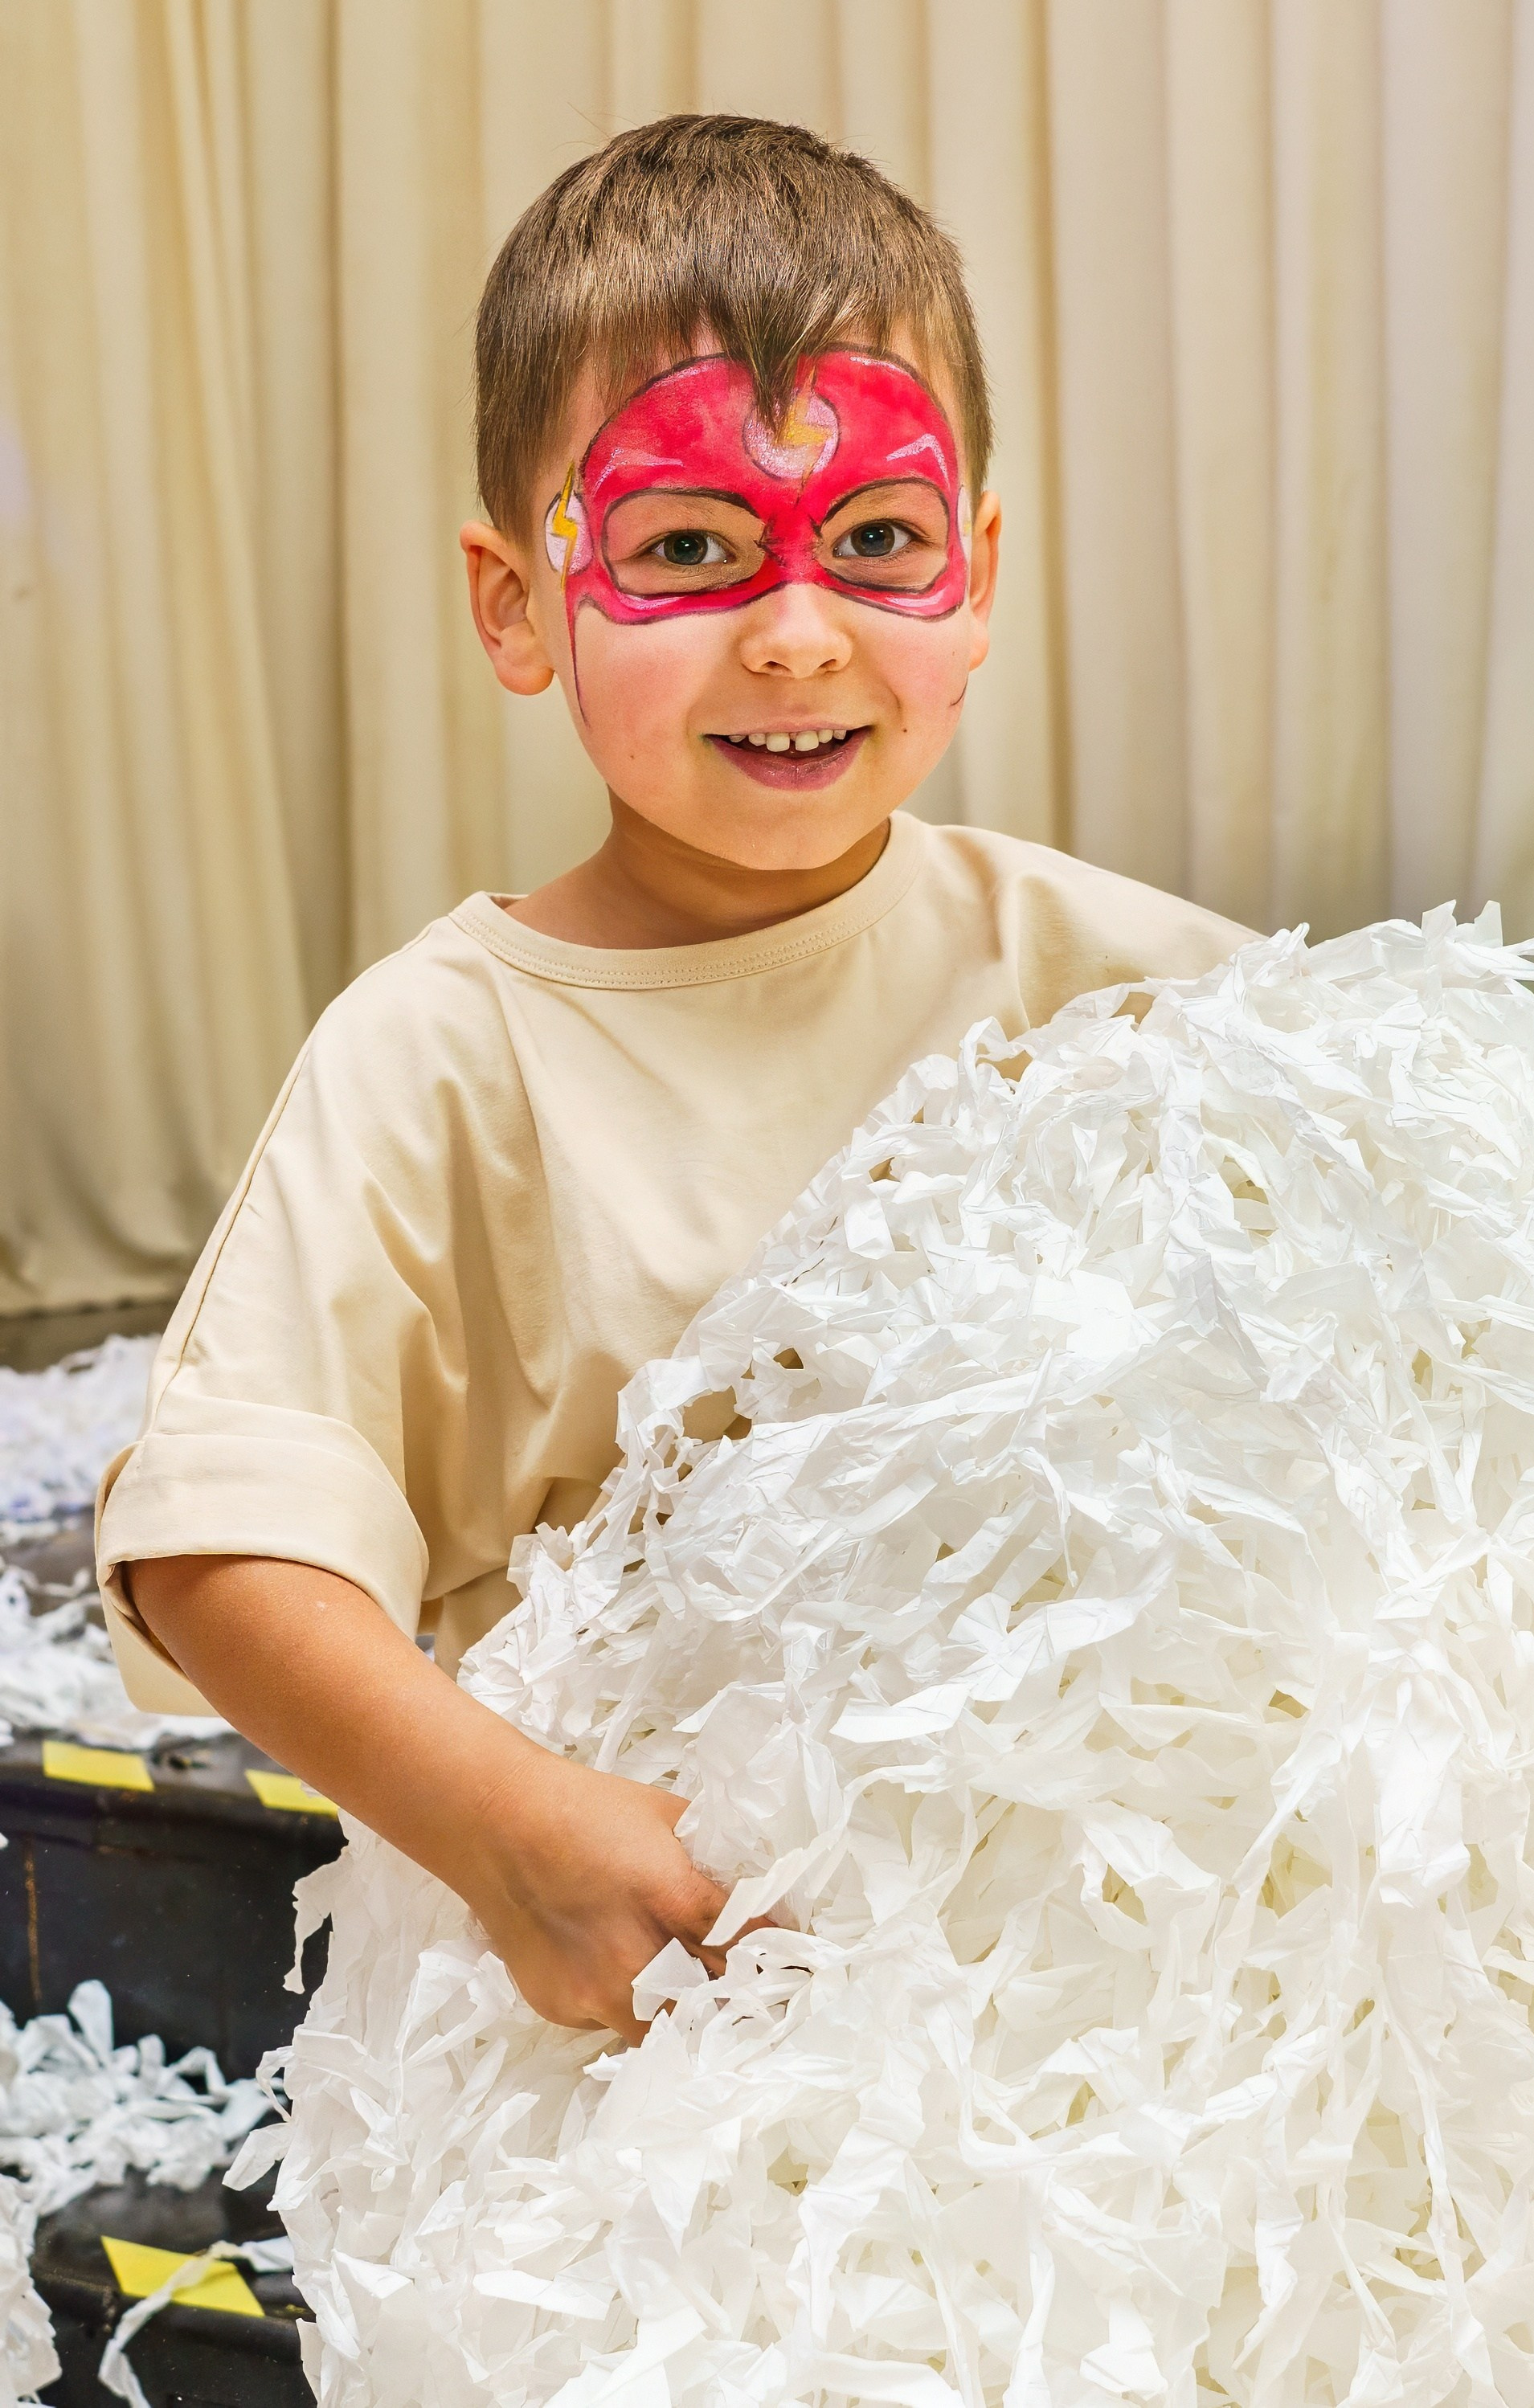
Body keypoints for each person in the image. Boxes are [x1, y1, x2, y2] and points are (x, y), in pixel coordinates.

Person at [96, 114, 1250, 2043]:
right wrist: (514, 1826)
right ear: (517, 604)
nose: (798, 635)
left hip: (1077, 1998)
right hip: (643, 2035)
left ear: (978, 573)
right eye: (688, 547)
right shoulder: (444, 1052)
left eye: (876, 539)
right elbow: (222, 1541)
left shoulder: (1116, 973)